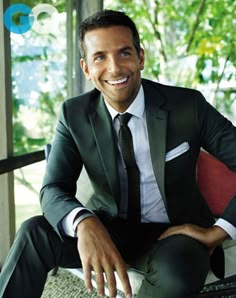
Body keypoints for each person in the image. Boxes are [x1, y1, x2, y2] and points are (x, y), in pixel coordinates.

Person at [0, 9, 236, 298]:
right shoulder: (73, 114)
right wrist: (84, 222)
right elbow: (53, 188)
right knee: (33, 233)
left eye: (124, 53)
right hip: (107, 227)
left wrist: (218, 231)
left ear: (141, 57)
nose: (114, 68)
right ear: (86, 68)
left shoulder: (189, 106)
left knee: (175, 277)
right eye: (100, 57)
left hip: (176, 233)